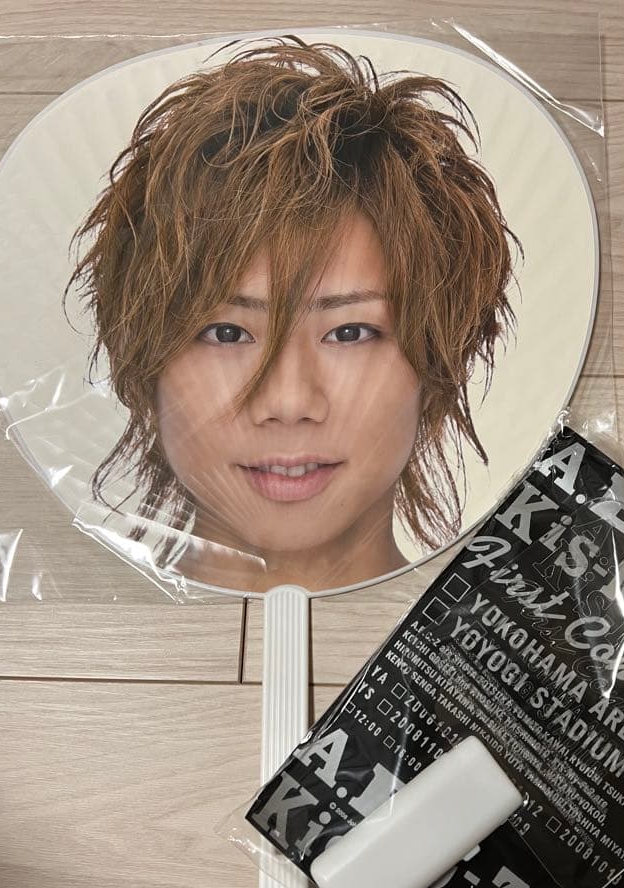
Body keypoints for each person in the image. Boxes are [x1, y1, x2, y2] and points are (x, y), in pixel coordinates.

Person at [67, 37, 520, 593]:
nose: (287, 403)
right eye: (227, 332)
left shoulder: (508, 636)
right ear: (142, 360)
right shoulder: (68, 628)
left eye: (350, 332)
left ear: (440, 359)